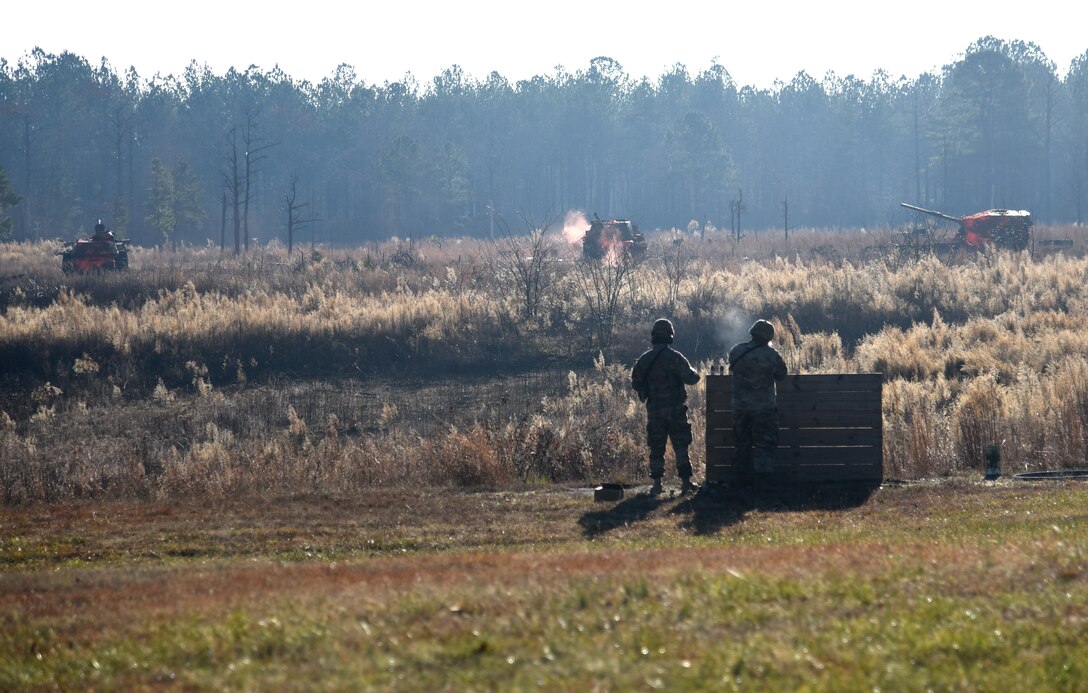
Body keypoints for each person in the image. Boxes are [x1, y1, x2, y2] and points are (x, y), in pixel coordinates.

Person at [631, 318, 701, 496]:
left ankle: (657, 484)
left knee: (656, 446)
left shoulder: (645, 359)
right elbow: (692, 379)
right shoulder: (675, 357)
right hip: (676, 410)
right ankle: (685, 483)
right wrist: (694, 370)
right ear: (670, 336)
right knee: (681, 445)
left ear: (654, 336)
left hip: (655, 411)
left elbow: (636, 382)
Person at [728, 319, 788, 483]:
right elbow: (782, 374)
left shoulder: (736, 351)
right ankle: (762, 482)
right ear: (768, 337)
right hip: (764, 408)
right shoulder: (771, 355)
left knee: (741, 443)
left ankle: (739, 481)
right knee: (765, 444)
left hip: (740, 407)